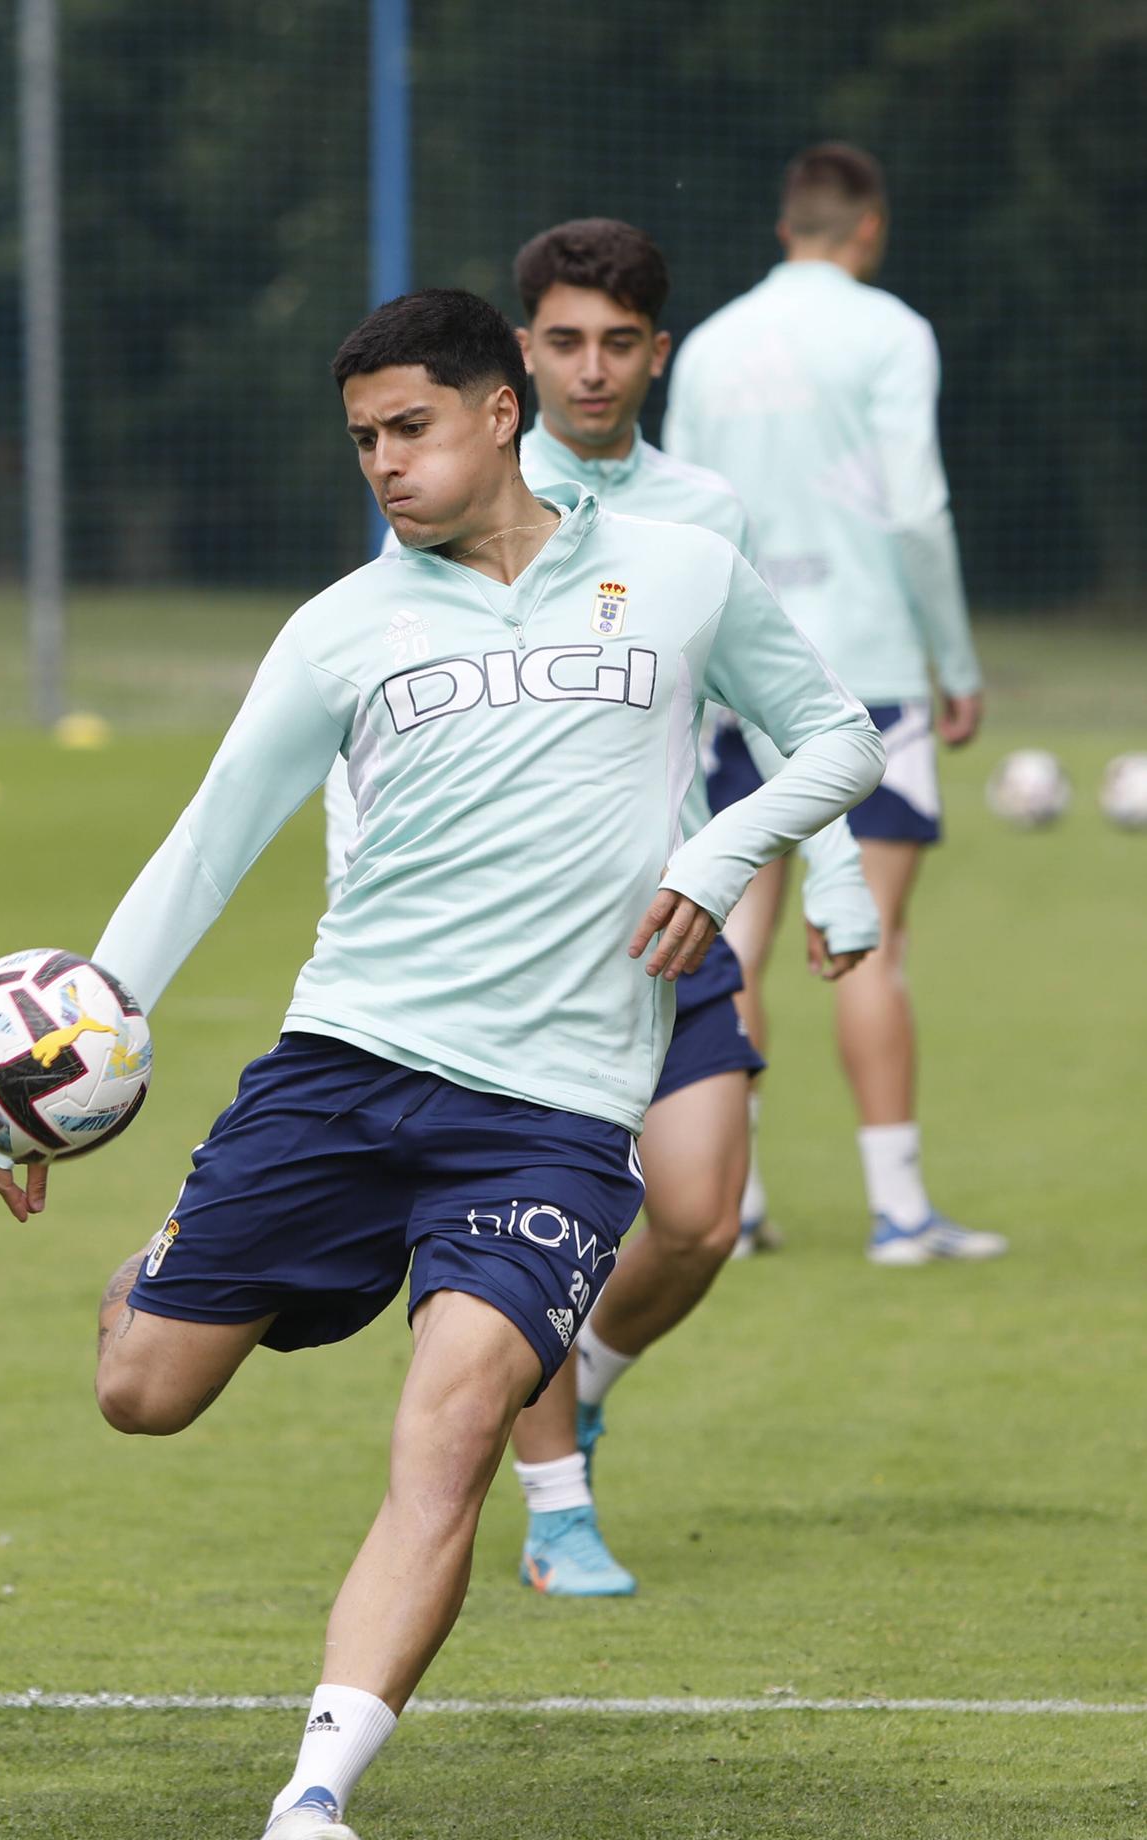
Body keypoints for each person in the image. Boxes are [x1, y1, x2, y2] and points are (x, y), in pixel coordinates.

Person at [0, 288, 885, 1840]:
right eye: (360, 443)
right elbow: (210, 839)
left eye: (407, 430)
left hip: (549, 1111)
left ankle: (311, 1802)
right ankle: (164, 1274)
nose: (383, 467)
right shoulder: (342, 624)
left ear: (496, 414)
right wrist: (59, 1067)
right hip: (342, 1069)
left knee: (454, 1429)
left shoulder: (675, 572)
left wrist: (722, 848)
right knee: (144, 1394)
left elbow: (829, 741)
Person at [499, 216, 879, 1596]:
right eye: (563, 342)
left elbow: (777, 708)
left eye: (616, 345)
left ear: (656, 356)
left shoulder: (706, 512)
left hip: (671, 928)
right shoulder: (476, 496)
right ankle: (553, 1513)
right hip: (525, 948)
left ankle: (583, 1375)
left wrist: (831, 875)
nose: (589, 371)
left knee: (703, 1217)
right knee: (552, 1220)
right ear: (521, 351)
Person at [665, 143, 1008, 1268]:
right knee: (877, 940)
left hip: (732, 672)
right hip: (862, 669)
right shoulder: (890, 331)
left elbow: (679, 514)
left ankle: (739, 1198)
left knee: (740, 934)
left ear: (784, 227)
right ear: (867, 228)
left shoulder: (708, 345)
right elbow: (914, 508)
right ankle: (899, 1209)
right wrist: (954, 661)